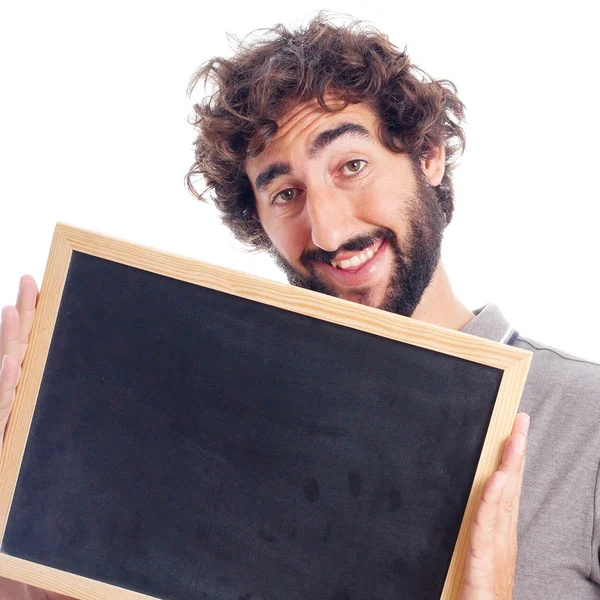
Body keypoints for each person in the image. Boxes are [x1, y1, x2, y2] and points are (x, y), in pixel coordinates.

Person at [0, 11, 560, 599]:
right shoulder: (212, 438)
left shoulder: (585, 423)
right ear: (258, 223)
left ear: (427, 155)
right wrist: (23, 503)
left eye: (352, 165)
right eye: (286, 194)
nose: (326, 230)